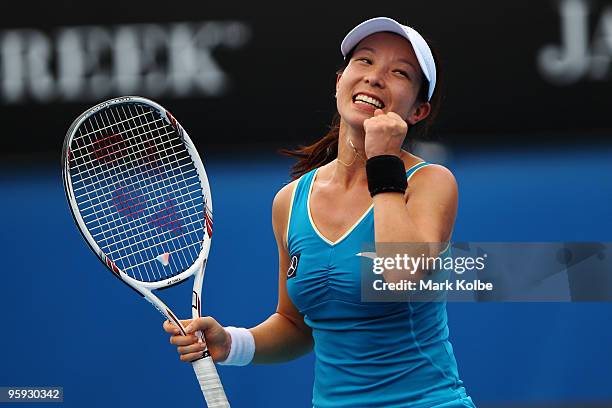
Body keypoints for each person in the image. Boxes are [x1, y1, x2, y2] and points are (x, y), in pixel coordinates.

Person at [164, 16, 475, 407]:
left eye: (399, 72)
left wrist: (383, 161)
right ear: (338, 81)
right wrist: (232, 342)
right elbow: (296, 324)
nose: (375, 77)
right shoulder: (289, 201)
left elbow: (402, 274)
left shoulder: (431, 182)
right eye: (363, 61)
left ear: (418, 111)